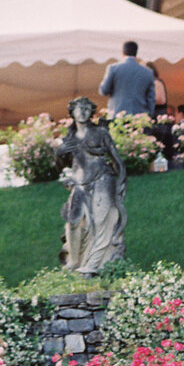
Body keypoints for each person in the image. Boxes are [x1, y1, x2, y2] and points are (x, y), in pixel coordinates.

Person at [57, 96, 127, 274]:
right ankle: (74, 260)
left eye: (87, 109)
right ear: (72, 112)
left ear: (91, 113)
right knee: (74, 221)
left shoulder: (100, 133)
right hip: (79, 182)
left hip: (102, 178)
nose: (82, 112)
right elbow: (61, 165)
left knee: (101, 221)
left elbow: (116, 158)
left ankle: (95, 264)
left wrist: (122, 181)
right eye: (79, 108)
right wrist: (60, 153)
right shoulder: (69, 136)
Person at [98, 41, 156, 118]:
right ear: (136, 53)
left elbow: (103, 91)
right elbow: (151, 98)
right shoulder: (148, 72)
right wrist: (149, 115)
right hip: (139, 118)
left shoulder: (113, 68)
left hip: (117, 115)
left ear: (123, 52)